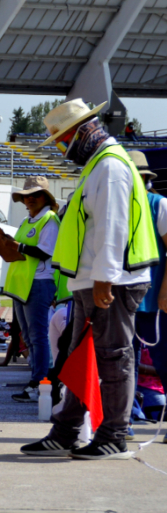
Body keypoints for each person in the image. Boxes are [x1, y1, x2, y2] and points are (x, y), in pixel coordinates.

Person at [21, 98, 159, 460]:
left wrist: (104, 279)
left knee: (113, 357)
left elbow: (111, 227)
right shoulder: (99, 165)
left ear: (82, 132)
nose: (64, 151)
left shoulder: (110, 167)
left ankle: (113, 433)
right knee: (80, 357)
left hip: (111, 281)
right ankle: (66, 431)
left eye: (64, 142)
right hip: (93, 280)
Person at [2, 176, 60, 403]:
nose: (30, 199)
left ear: (45, 197)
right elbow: (22, 250)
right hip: (22, 283)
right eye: (27, 196)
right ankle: (36, 380)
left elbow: (46, 252)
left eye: (35, 195)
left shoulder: (49, 219)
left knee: (38, 336)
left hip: (39, 282)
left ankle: (40, 382)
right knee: (28, 336)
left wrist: (17, 245)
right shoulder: (28, 221)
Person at [129, 150, 167, 433]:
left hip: (156, 301)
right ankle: (123, 419)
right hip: (122, 299)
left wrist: (165, 290)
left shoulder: (159, 204)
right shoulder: (117, 209)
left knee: (164, 359)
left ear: (144, 178)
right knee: (122, 362)